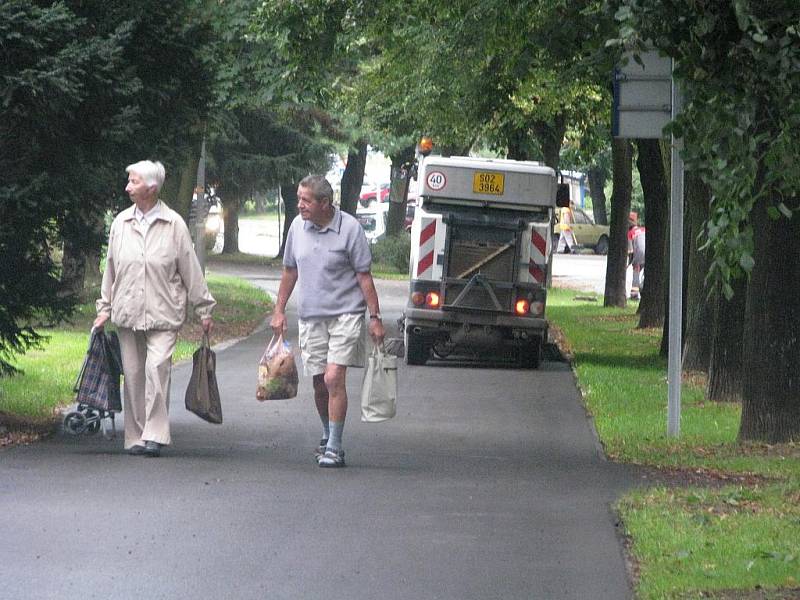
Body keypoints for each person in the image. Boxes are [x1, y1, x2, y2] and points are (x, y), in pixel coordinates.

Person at [94, 160, 216, 457]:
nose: (127, 187)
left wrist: (204, 307)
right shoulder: (121, 223)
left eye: (133, 182)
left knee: (156, 369)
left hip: (164, 312)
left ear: (151, 188)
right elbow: (111, 268)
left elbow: (190, 267)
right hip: (128, 311)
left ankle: (155, 434)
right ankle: (135, 435)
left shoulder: (173, 223)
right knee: (134, 374)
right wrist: (104, 307)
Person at [271, 174, 385, 468]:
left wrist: (374, 317)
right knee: (320, 383)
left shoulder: (350, 229)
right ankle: (327, 432)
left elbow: (364, 276)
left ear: (325, 203)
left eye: (305, 200)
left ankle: (334, 445)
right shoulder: (297, 227)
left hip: (346, 315)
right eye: (298, 199)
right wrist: (279, 310)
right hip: (312, 317)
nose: (300, 206)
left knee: (334, 377)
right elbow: (289, 272)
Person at [627, 211, 646, 300]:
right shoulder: (643, 229)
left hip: (638, 256)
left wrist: (629, 263)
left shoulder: (630, 233)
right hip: (648, 254)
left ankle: (634, 295)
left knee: (636, 273)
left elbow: (630, 250)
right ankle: (644, 290)